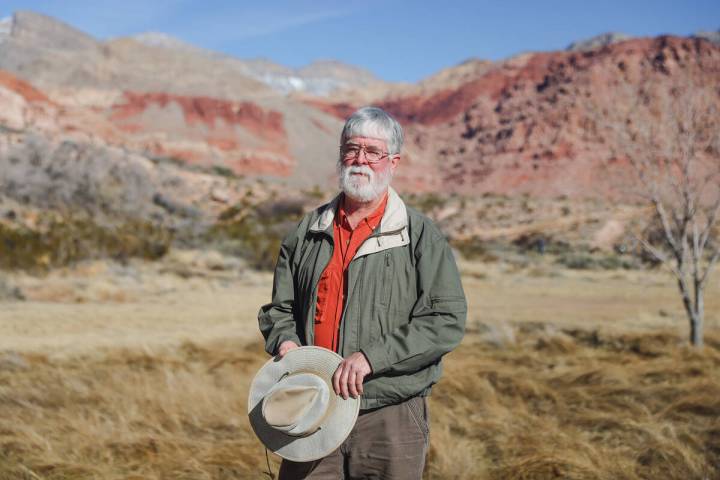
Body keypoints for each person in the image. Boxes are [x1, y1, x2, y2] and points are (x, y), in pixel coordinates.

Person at [258, 106, 467, 479]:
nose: (360, 160)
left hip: (390, 413)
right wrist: (285, 342)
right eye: (352, 149)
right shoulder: (309, 231)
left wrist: (371, 357)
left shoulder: (419, 235)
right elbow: (279, 309)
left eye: (373, 151)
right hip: (312, 403)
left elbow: (445, 320)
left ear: (394, 161)